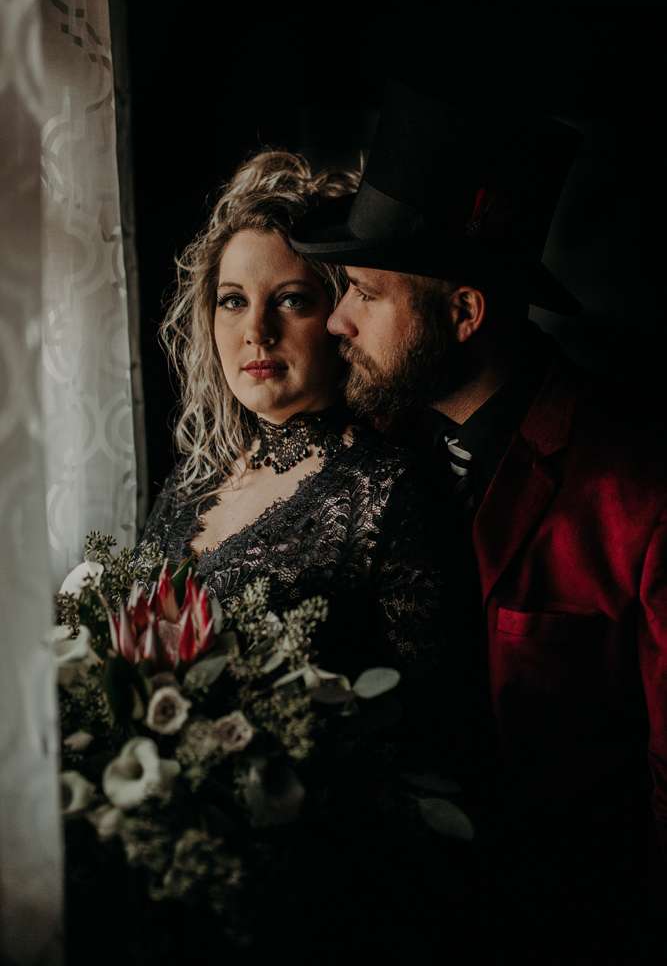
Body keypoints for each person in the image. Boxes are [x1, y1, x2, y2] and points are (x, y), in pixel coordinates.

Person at [289, 81, 667, 960]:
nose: (336, 320)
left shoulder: (637, 492)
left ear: (463, 312)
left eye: (366, 292)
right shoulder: (368, 442)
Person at [135, 149, 470, 963]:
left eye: (290, 300)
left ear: (339, 314)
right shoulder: (189, 482)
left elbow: (432, 742)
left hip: (316, 905)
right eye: (232, 300)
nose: (255, 332)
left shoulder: (387, 488)